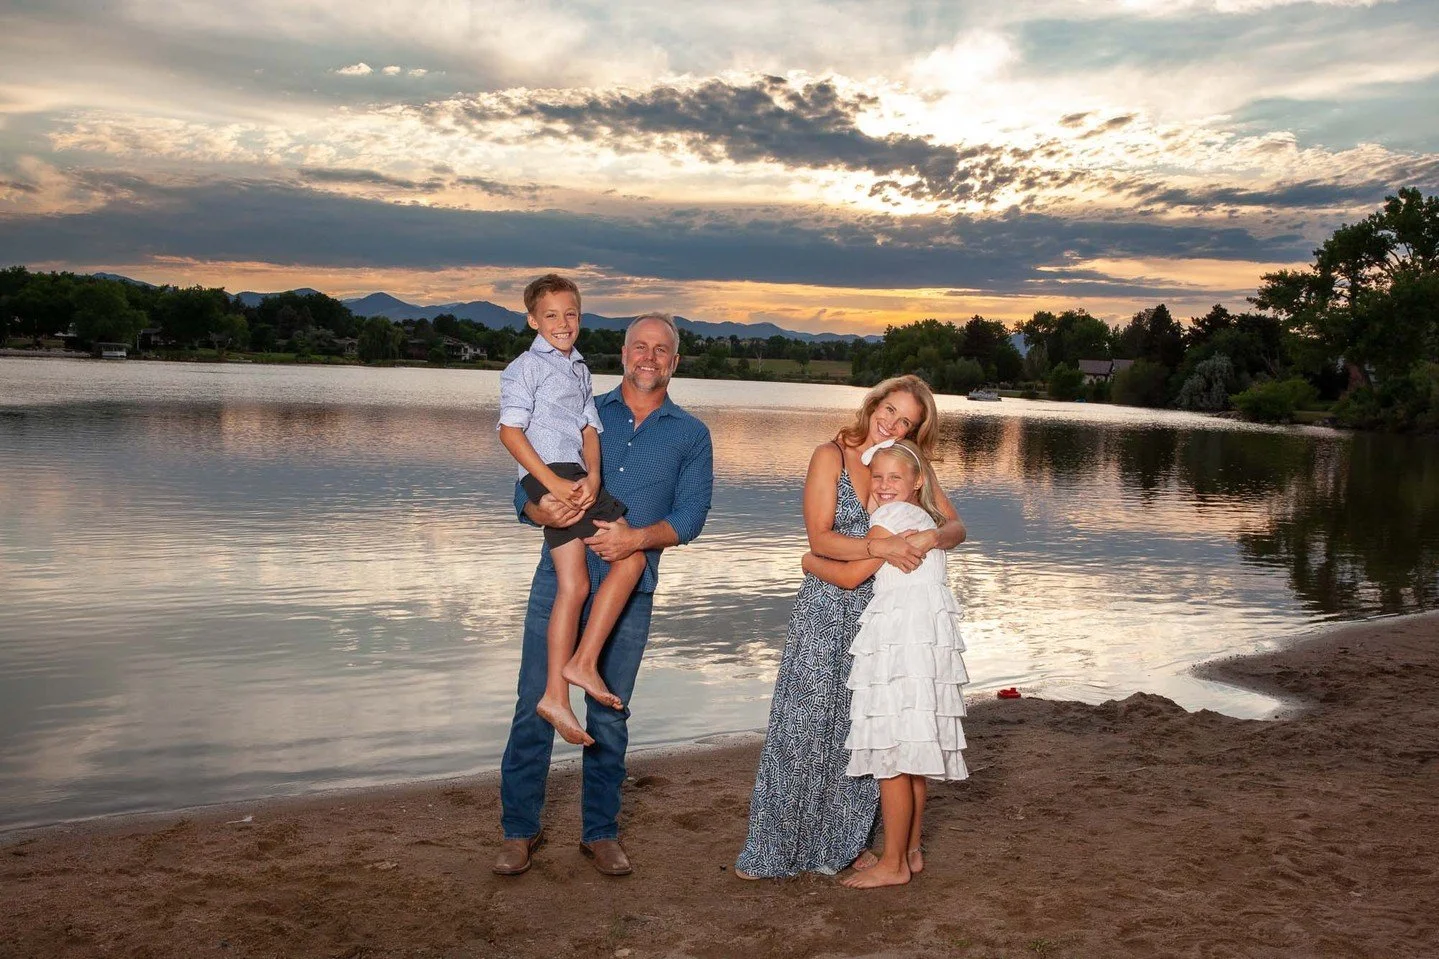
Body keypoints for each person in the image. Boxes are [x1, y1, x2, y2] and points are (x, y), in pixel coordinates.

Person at [493, 312, 714, 879]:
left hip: (628, 589)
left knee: (609, 712)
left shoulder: (691, 435)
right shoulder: (583, 406)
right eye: (639, 346)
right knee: (530, 707)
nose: (649, 357)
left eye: (660, 349)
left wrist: (637, 539)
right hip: (561, 579)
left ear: (675, 361)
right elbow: (528, 476)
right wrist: (533, 507)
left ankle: (601, 833)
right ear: (622, 353)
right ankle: (519, 831)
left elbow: (691, 517)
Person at [735, 374, 966, 879]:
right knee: (801, 728)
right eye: (890, 409)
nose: (892, 423)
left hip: (881, 615)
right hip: (827, 610)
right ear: (873, 402)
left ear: (915, 431)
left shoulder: (906, 468)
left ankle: (846, 845)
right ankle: (777, 847)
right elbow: (819, 537)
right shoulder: (831, 456)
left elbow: (955, 526)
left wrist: (927, 539)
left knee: (859, 736)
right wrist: (877, 547)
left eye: (906, 420)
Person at [804, 438, 969, 889]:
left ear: (917, 482)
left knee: (893, 753)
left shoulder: (889, 518)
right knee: (913, 752)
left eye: (894, 477)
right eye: (876, 477)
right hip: (926, 646)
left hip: (900, 646)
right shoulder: (925, 518)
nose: (882, 485)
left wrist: (807, 560)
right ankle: (910, 850)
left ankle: (893, 863)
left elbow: (850, 573)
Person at [498, 274, 647, 746]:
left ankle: (555, 696)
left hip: (578, 473)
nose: (562, 324)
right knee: (633, 556)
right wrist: (554, 482)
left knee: (575, 584)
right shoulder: (525, 368)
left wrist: (595, 478)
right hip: (553, 471)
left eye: (570, 314)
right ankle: (582, 663)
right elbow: (509, 432)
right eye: (551, 315)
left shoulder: (580, 370)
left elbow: (588, 431)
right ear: (532, 319)